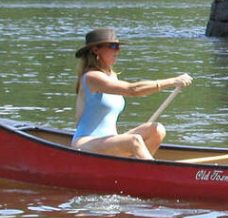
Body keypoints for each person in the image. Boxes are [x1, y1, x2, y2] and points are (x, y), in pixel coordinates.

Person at [72, 28, 192, 159]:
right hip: (85, 143)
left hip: (109, 140)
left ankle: (136, 169)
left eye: (118, 46)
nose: (118, 50)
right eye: (113, 46)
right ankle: (153, 172)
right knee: (133, 141)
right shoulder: (92, 77)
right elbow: (132, 90)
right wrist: (173, 81)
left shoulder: (112, 76)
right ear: (96, 50)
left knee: (157, 130)